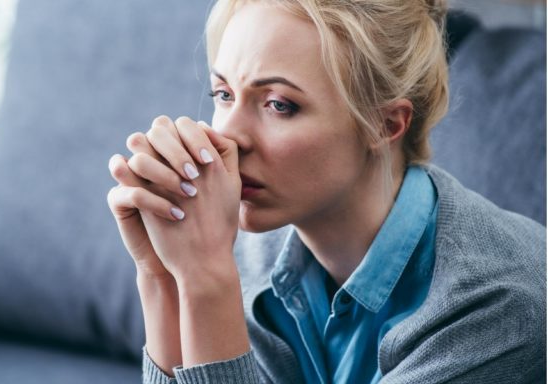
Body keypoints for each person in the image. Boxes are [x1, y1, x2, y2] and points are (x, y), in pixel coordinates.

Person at [106, 0, 546, 382]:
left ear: (385, 124)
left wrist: (206, 282)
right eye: (222, 94)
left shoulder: (498, 305)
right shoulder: (244, 253)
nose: (228, 138)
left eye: (279, 104)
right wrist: (161, 277)